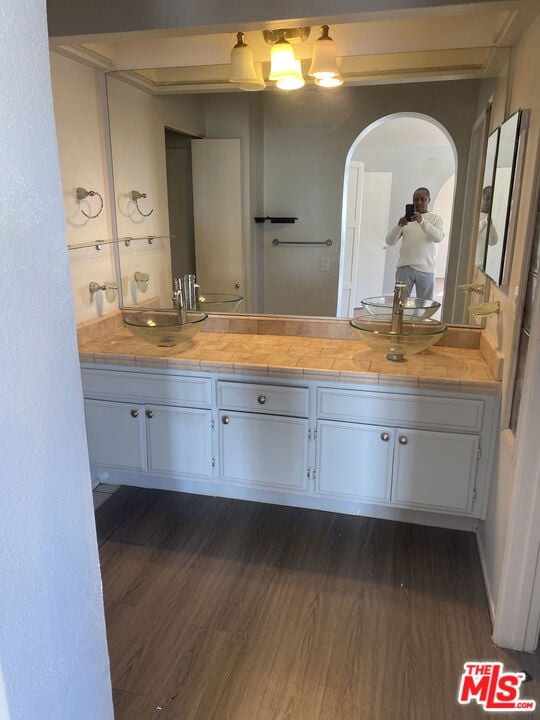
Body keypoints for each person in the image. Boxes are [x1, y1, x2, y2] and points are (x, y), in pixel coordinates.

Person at [385, 187, 444, 300]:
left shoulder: (436, 219)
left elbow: (438, 237)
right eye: (416, 200)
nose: (419, 202)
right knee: (399, 303)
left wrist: (422, 221)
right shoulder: (406, 220)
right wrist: (399, 226)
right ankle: (399, 319)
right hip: (404, 268)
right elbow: (389, 241)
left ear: (429, 200)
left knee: (424, 306)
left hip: (426, 269)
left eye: (423, 199)